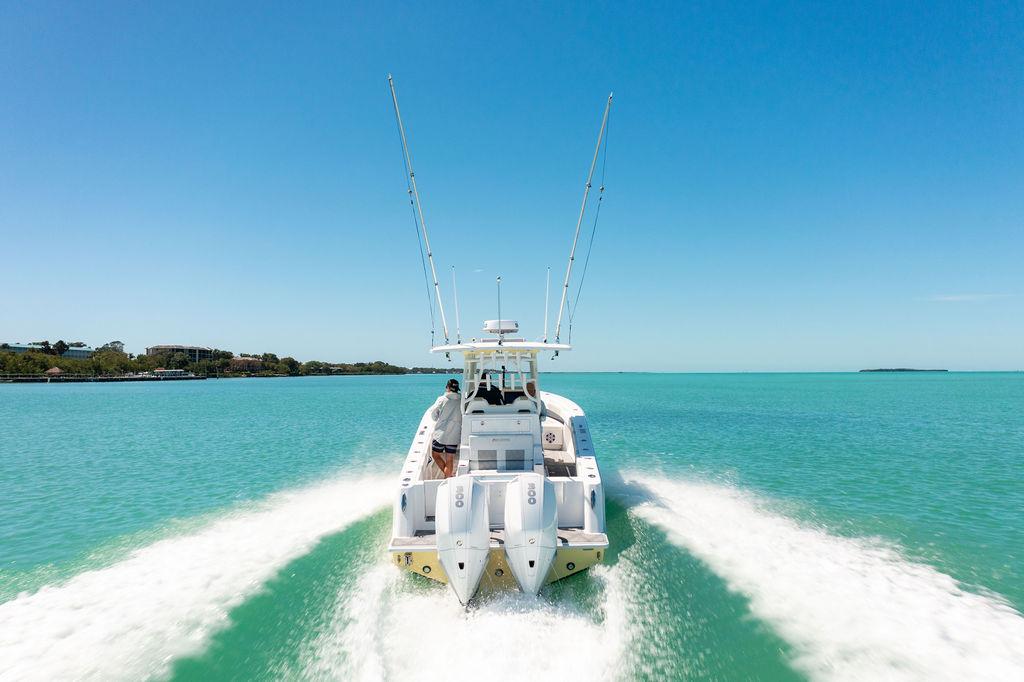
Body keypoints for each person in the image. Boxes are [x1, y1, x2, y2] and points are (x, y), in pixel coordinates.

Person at [430, 378, 462, 477]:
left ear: (447, 387)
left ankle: (447, 476)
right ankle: (448, 477)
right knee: (450, 459)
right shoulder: (461, 400)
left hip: (441, 434)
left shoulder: (442, 399)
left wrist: (437, 418)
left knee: (435, 455)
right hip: (454, 434)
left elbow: (434, 414)